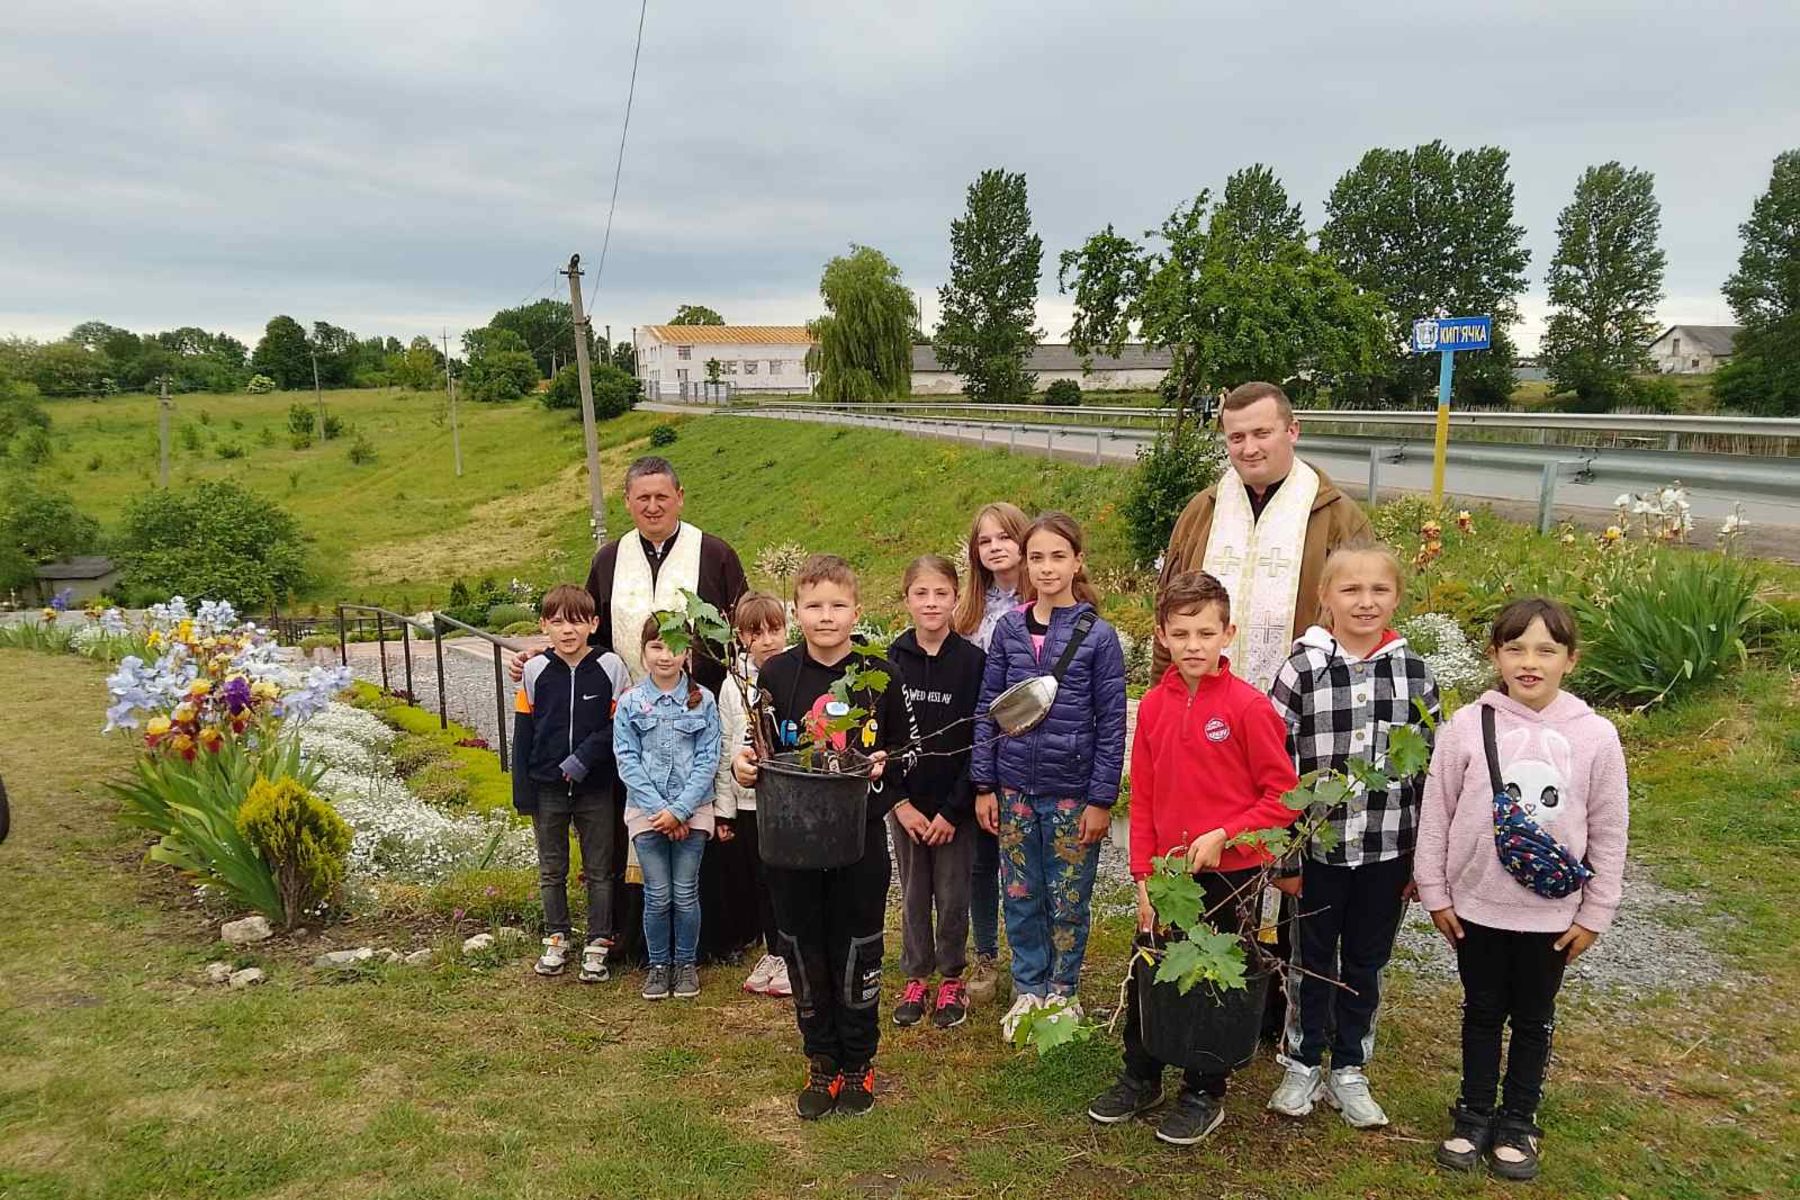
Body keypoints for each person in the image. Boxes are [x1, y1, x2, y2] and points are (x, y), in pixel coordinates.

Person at [1415, 598, 1628, 1182]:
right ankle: (1474, 1113)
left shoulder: (1596, 737)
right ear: (1496, 655)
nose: (1529, 662)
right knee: (1481, 1011)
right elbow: (1438, 811)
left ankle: (1519, 1120)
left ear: (1569, 660)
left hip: (1552, 916)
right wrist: (1435, 890)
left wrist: (1597, 909)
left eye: (1545, 650)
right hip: (1476, 908)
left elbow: (1609, 826)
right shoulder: (1466, 726)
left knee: (1533, 1017)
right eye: (1515, 648)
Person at [508, 455, 751, 966]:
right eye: (642, 498)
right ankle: (624, 933)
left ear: (680, 497)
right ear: (627, 502)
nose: (653, 506)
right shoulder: (608, 558)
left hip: (694, 712)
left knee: (693, 816)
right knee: (629, 823)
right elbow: (583, 629)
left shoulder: (715, 553)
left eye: (662, 496)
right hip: (628, 715)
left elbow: (741, 628)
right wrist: (538, 656)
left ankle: (706, 938)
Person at [1086, 571, 1300, 1145]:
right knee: (1150, 969)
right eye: (1181, 633)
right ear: (1162, 635)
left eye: (1206, 632)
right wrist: (1142, 878)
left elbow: (1283, 798)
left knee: (1213, 981)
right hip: (1168, 876)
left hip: (1230, 875)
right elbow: (1147, 800)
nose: (1194, 645)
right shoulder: (1154, 707)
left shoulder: (1249, 708)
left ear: (1227, 632)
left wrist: (1227, 835)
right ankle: (1142, 1072)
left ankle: (1205, 1088)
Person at [1265, 543, 1441, 1129]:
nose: (1365, 602)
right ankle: (1302, 1059)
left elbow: (1430, 773)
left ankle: (1349, 1066)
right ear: (1326, 598)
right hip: (1319, 849)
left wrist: (1422, 859)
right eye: (1351, 590)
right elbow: (1276, 767)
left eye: (1379, 591)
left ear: (1396, 597)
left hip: (1387, 848)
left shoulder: (1414, 672)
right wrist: (1284, 853)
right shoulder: (1302, 670)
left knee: (1367, 959)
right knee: (1310, 957)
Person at [730, 555, 909, 1119]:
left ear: (856, 611)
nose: (825, 616)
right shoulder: (777, 675)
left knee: (857, 949)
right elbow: (758, 748)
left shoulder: (881, 676)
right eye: (813, 606)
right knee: (804, 951)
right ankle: (821, 1060)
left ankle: (859, 1061)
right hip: (792, 847)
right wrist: (744, 765)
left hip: (857, 844)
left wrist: (885, 765)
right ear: (796, 611)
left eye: (837, 605)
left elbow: (907, 754)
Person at [971, 512, 1127, 1043]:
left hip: (1071, 794)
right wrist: (984, 784)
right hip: (1013, 790)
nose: (1046, 567)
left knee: (1068, 896)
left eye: (1058, 556)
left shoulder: (1098, 636)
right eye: (1036, 557)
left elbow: (1111, 722)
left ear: (1077, 561)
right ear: (1024, 562)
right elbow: (987, 712)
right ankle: (1028, 987)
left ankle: (1064, 989)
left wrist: (1101, 798)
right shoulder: (1009, 630)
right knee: (1019, 891)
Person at [1153, 382, 1372, 694]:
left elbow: (1368, 622)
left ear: (1292, 431)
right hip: (1205, 710)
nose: (1249, 448)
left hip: (1304, 709)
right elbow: (1167, 607)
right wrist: (1164, 696)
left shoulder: (1339, 517)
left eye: (1262, 433)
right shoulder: (1201, 512)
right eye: (1237, 438)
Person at [511, 584, 630, 983]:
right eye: (557, 621)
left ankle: (598, 942)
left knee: (599, 870)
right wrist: (522, 791)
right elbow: (524, 733)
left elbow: (620, 726)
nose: (567, 630)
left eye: (577, 620)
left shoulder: (611, 667)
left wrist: (584, 758)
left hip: (596, 786)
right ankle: (556, 936)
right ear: (544, 625)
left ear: (594, 624)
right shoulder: (534, 670)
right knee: (552, 869)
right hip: (546, 787)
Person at [886, 555, 986, 1031]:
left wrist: (954, 809)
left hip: (954, 810)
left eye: (940, 593)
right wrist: (899, 803)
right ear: (906, 599)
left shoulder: (973, 663)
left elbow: (980, 740)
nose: (931, 603)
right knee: (912, 892)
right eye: (921, 593)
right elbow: (877, 739)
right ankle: (916, 975)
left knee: (951, 894)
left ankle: (951, 975)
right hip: (906, 805)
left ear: (956, 598)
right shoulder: (889, 660)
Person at [613, 617, 722, 1001]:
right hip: (646, 814)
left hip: (694, 810)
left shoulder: (704, 700)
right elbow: (626, 759)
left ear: (688, 653)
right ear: (643, 652)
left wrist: (681, 809)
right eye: (656, 647)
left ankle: (686, 964)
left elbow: (709, 759)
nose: (666, 655)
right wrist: (661, 810)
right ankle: (659, 966)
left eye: (675, 647)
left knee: (685, 892)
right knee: (657, 894)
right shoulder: (630, 702)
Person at [951, 501, 1029, 1007]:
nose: (996, 546)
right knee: (981, 859)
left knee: (1026, 861)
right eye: (985, 540)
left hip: (1031, 749)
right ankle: (984, 952)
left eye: (1004, 536)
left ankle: (1032, 956)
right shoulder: (969, 612)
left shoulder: (1045, 601)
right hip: (983, 745)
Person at [713, 591, 793, 998]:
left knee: (786, 879)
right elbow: (726, 743)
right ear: (741, 637)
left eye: (774, 630)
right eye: (755, 633)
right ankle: (772, 949)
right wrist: (725, 810)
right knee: (761, 879)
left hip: (787, 798)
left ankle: (790, 952)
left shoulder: (795, 671)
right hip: (748, 801)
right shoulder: (733, 684)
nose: (767, 640)